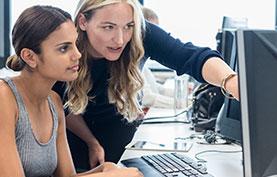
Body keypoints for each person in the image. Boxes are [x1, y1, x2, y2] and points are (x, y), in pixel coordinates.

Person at [53, 0, 239, 171]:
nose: (119, 40)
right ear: (83, 22)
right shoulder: (66, 47)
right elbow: (60, 105)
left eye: (128, 26)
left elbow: (189, 56)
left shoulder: (140, 33)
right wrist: (91, 142)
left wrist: (231, 81)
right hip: (77, 153)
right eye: (108, 27)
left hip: (122, 147)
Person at [0, 5, 143, 177]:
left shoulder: (54, 101)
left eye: (75, 44)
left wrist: (105, 170)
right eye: (63, 48)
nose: (77, 55)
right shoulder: (4, 98)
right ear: (30, 57)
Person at [141, 7, 175, 109]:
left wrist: (186, 96)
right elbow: (147, 98)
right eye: (152, 32)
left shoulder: (142, 61)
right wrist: (182, 104)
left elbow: (156, 88)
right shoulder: (131, 61)